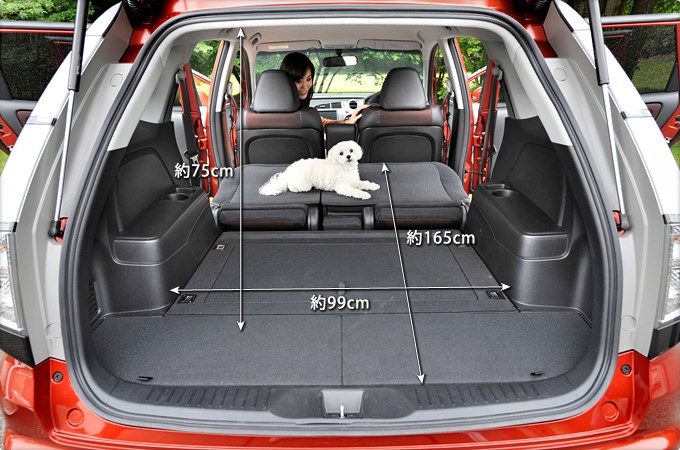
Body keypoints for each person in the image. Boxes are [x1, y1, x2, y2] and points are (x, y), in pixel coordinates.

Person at [280, 52, 369, 128]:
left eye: (308, 79)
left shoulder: (273, 116)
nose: (305, 86)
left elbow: (322, 124)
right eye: (299, 81)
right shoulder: (307, 116)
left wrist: (346, 122)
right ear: (287, 81)